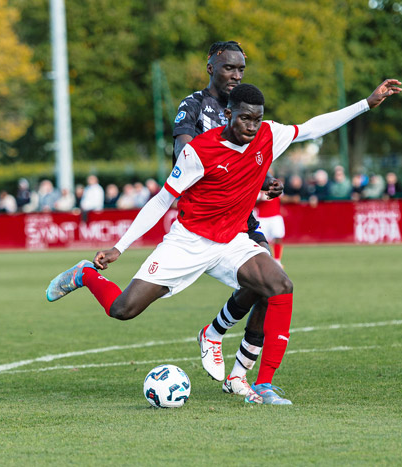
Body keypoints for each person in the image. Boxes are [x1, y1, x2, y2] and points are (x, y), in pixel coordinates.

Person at [45, 79, 402, 405]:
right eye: (245, 118)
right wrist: (118, 247)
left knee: (277, 285)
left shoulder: (268, 135)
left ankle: (256, 382)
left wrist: (366, 103)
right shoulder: (198, 152)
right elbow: (161, 201)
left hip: (232, 241)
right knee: (123, 309)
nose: (252, 126)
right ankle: (86, 275)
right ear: (228, 114)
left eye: (257, 119)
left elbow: (312, 127)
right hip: (187, 242)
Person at [170, 41, 283, 402]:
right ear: (211, 67)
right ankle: (216, 335)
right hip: (205, 214)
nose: (235, 75)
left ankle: (238, 374)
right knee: (128, 308)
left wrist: (265, 181)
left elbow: (253, 153)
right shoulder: (194, 106)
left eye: (240, 70)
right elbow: (185, 154)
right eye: (229, 68)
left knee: (271, 283)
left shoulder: (246, 107)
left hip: (242, 212)